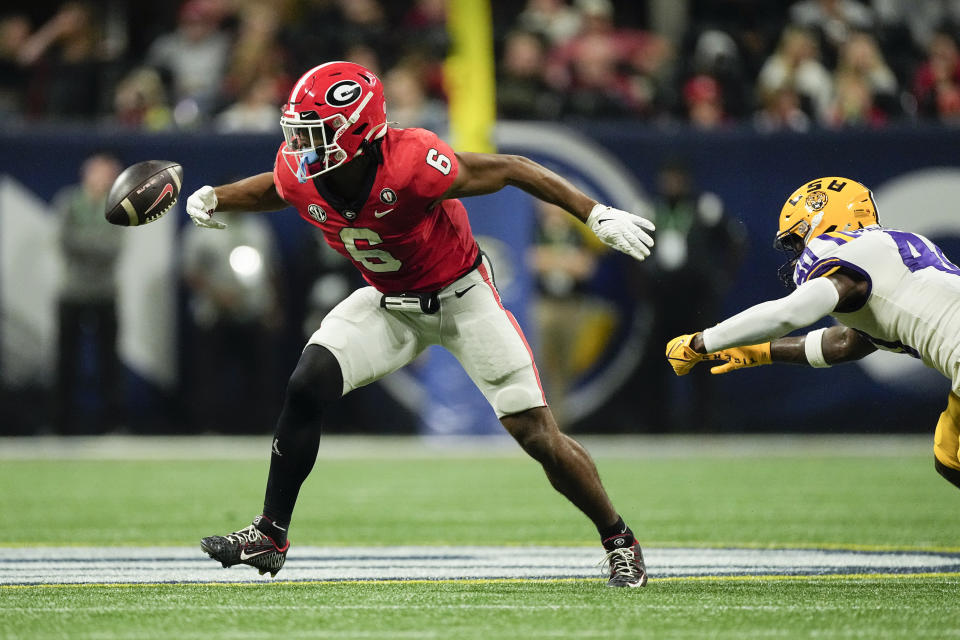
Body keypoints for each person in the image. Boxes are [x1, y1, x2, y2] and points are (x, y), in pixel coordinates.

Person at [186, 61, 655, 587]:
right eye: (299, 133)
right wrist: (217, 195)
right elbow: (279, 186)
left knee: (535, 433)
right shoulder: (302, 170)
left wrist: (593, 214)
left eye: (315, 133)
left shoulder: (414, 162)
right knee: (306, 384)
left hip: (462, 299)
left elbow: (512, 168)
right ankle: (270, 536)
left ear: (360, 131)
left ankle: (620, 540)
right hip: (388, 302)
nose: (301, 147)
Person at [665, 176, 960, 492]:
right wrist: (762, 351)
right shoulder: (899, 248)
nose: (796, 250)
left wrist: (701, 342)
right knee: (949, 453)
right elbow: (847, 341)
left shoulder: (838, 249)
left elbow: (791, 313)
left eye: (797, 239)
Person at [53, 152, 124, 433]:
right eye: (99, 173)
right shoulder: (69, 202)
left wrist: (85, 242)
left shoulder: (117, 204)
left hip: (105, 292)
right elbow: (64, 240)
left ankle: (113, 422)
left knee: (109, 361)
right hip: (73, 292)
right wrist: (95, 242)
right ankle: (61, 423)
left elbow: (114, 247)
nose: (103, 180)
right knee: (66, 360)